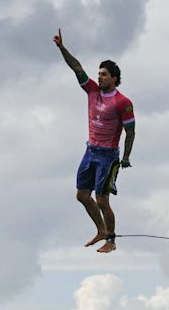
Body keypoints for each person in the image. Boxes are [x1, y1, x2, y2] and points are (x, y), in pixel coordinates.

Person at [53, 28, 135, 253]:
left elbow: (130, 131)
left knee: (101, 199)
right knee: (82, 195)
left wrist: (126, 157)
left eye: (104, 74)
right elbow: (76, 67)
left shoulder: (122, 102)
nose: (99, 77)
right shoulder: (92, 91)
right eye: (99, 73)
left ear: (115, 79)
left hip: (108, 156)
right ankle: (100, 230)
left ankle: (111, 240)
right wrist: (62, 48)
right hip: (90, 151)